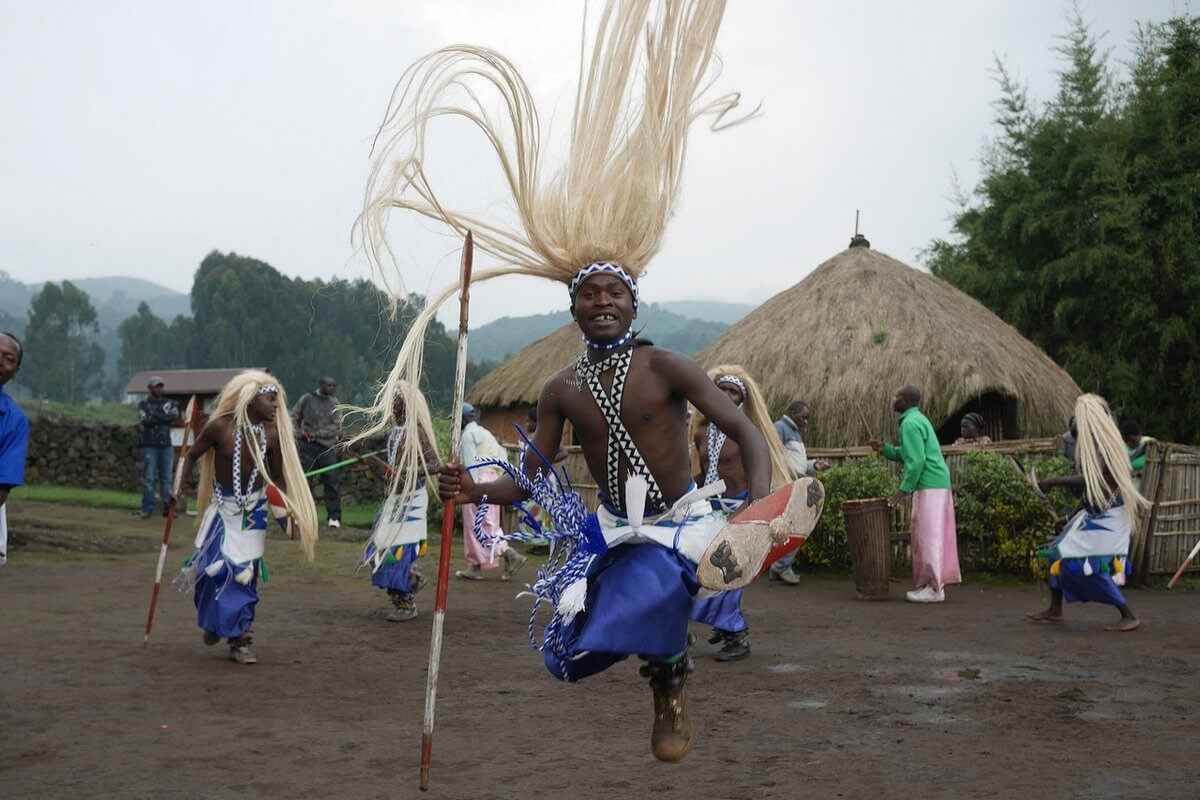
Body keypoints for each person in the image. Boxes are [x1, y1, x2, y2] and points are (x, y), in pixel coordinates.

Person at [354, 0, 767, 762]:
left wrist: (761, 513)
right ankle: (665, 669)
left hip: (674, 523)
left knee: (649, 591)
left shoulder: (666, 365)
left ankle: (670, 685)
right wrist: (474, 491)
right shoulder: (561, 387)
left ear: (633, 302)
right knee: (571, 648)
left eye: (614, 293)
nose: (602, 302)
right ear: (572, 306)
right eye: (588, 294)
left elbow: (741, 429)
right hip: (607, 527)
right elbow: (536, 476)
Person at [172, 371, 318, 664]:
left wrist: (288, 508)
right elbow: (190, 456)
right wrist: (176, 490)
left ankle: (239, 639)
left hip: (253, 515)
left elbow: (277, 477)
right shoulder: (219, 428)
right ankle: (214, 622)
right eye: (270, 399)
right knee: (209, 572)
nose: (276, 405)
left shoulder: (272, 436)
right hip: (223, 511)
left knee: (243, 577)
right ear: (251, 400)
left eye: (277, 400)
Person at [690, 367, 791, 662]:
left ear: (742, 399)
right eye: (721, 389)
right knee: (703, 568)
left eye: (733, 392)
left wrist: (751, 510)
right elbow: (702, 474)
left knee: (730, 571)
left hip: (740, 507)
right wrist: (688, 499)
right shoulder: (701, 432)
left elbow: (757, 475)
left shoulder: (747, 433)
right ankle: (723, 627)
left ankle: (737, 635)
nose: (726, 396)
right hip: (710, 508)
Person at [1027, 394, 1148, 632]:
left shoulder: (1106, 447)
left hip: (1111, 516)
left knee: (1092, 565)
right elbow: (1091, 492)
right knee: (1055, 554)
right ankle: (1055, 609)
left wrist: (1053, 480)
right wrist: (1070, 517)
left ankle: (1128, 615)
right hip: (1096, 512)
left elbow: (1092, 480)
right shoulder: (1094, 447)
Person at [869, 386, 960, 603]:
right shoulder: (917, 419)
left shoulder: (910, 423)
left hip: (930, 485)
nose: (893, 399)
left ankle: (935, 589)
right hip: (936, 483)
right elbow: (910, 455)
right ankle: (932, 584)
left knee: (929, 536)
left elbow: (917, 461)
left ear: (906, 400)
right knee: (931, 534)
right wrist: (884, 449)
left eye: (897, 397)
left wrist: (903, 489)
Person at [361, 383, 440, 621]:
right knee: (381, 550)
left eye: (393, 400)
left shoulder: (417, 431)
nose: (390, 405)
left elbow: (434, 465)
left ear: (405, 403)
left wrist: (407, 472)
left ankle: (405, 603)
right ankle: (410, 580)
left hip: (411, 502)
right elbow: (392, 470)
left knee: (396, 553)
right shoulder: (397, 431)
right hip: (395, 500)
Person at [454, 402, 526, 581]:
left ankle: (505, 554)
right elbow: (502, 456)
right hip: (493, 479)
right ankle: (479, 564)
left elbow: (472, 464)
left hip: (477, 480)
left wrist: (474, 488)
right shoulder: (486, 434)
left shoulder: (468, 435)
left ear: (463, 419)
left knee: (475, 524)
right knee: (489, 523)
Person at [769, 400, 829, 584]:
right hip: (785, 486)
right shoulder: (780, 427)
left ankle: (779, 567)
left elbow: (796, 462)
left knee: (791, 527)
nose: (806, 421)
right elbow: (774, 455)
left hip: (794, 484)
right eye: (804, 417)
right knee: (798, 525)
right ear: (793, 413)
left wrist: (813, 466)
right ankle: (781, 567)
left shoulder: (794, 432)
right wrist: (795, 474)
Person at [292, 376, 344, 528]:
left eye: (333, 385)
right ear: (320, 385)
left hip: (327, 448)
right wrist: (300, 434)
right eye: (328, 385)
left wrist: (316, 434)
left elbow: (337, 427)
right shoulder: (306, 399)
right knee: (303, 481)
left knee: (332, 481)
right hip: (306, 446)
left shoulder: (334, 404)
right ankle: (300, 515)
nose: (331, 388)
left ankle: (334, 517)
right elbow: (294, 417)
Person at [0, 332, 29, 567]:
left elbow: (2, 486)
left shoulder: (14, 420)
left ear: (15, 372)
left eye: (8, 358)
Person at [137, 376, 180, 519]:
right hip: (149, 446)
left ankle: (167, 508)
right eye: (156, 386)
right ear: (150, 388)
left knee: (166, 478)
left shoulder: (169, 402)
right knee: (148, 478)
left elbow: (174, 416)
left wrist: (155, 416)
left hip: (166, 446)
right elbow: (145, 420)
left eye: (161, 386)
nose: (159, 389)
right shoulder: (143, 404)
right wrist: (162, 416)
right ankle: (147, 508)